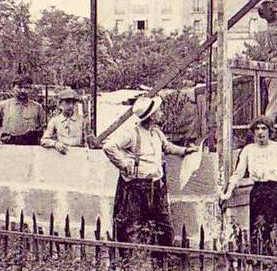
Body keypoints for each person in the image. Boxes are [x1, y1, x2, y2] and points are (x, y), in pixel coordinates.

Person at [103, 95, 198, 246]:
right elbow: (109, 147)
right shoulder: (132, 133)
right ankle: (130, 263)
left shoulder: (157, 133)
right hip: (138, 187)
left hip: (157, 186)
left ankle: (162, 262)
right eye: (159, 111)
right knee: (132, 227)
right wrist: (123, 164)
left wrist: (186, 150)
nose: (161, 113)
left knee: (164, 227)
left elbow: (167, 147)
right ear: (152, 116)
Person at [222, 116, 277, 256]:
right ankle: (261, 263)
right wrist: (228, 192)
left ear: (270, 131)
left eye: (264, 128)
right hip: (258, 192)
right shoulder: (248, 150)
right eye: (257, 129)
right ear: (253, 132)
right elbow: (238, 173)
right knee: (259, 229)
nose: (260, 132)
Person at [0, 74, 44, 149]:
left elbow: (45, 128)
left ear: (31, 89)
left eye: (26, 88)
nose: (23, 91)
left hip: (31, 147)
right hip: (8, 146)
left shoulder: (37, 107)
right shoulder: (3, 106)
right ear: (13, 87)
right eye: (19, 87)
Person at [40, 88, 85, 154]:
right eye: (67, 102)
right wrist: (55, 144)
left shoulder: (81, 120)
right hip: (61, 155)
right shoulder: (55, 121)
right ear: (60, 104)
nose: (71, 106)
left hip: (78, 155)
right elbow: (44, 140)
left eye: (73, 103)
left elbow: (88, 142)